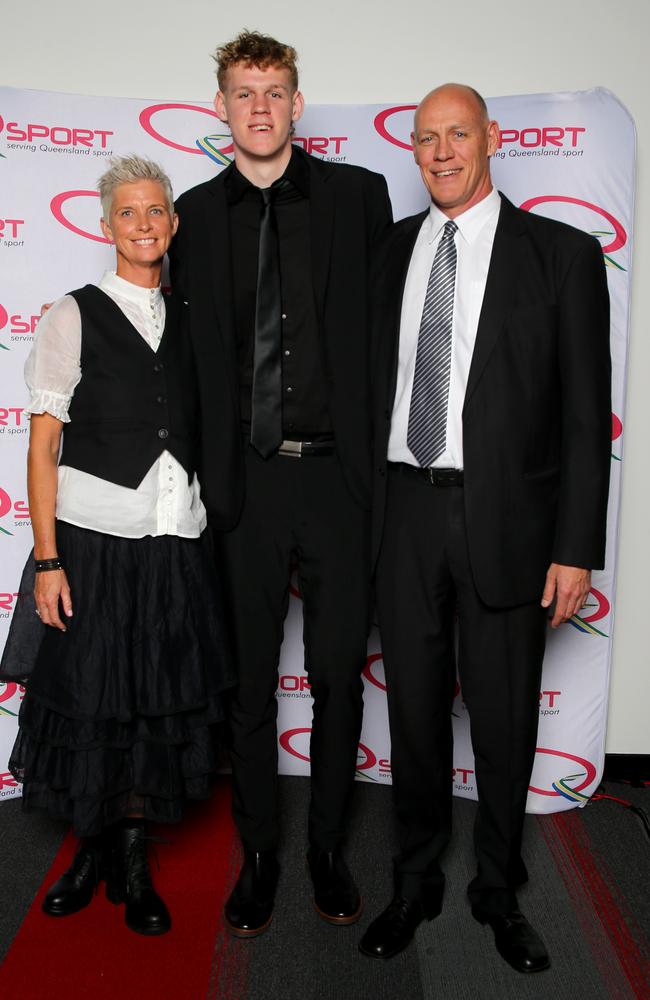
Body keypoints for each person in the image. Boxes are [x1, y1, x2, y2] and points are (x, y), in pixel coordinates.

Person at [359, 84, 611, 971]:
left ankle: (499, 889)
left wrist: (576, 547)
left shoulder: (563, 256)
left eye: (457, 134)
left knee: (503, 721)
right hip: (406, 509)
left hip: (508, 517)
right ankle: (415, 879)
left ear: (492, 139)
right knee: (418, 715)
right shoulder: (389, 253)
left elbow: (587, 417)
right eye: (425, 138)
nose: (439, 152)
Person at [169, 30, 392, 937]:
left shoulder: (360, 198)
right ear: (221, 108)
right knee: (249, 683)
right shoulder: (192, 212)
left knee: (340, 675)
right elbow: (185, 364)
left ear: (298, 105)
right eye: (243, 92)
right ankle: (260, 852)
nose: (259, 107)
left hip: (339, 479)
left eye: (274, 91)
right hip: (245, 487)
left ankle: (327, 847)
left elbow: (392, 337)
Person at [0, 155, 234, 936]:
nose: (143, 224)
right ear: (106, 226)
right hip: (94, 542)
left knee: (150, 706)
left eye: (156, 211)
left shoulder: (193, 317)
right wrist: (48, 559)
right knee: (92, 703)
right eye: (128, 213)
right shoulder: (72, 314)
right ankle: (88, 851)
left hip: (175, 541)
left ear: (172, 223)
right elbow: (42, 449)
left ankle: (135, 859)